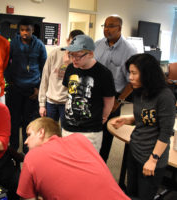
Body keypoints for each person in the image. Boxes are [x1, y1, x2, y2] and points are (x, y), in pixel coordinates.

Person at [111, 53, 175, 200]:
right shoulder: (139, 91)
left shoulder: (165, 96)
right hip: (135, 151)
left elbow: (165, 132)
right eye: (130, 73)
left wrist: (153, 160)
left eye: (134, 73)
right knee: (132, 194)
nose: (130, 78)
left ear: (147, 74)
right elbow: (146, 117)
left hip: (151, 158)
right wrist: (127, 120)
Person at [17, 117, 130, 200]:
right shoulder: (80, 139)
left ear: (41, 132)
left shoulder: (31, 157)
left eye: (29, 135)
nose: (26, 142)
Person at [61, 35, 116, 152]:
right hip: (68, 127)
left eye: (78, 55)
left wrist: (104, 116)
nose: (74, 59)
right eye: (71, 54)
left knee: (87, 165)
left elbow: (109, 99)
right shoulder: (70, 68)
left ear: (90, 54)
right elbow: (68, 91)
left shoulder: (104, 73)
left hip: (90, 131)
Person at [94, 15, 137, 162]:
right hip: (92, 97)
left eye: (111, 26)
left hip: (113, 99)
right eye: (105, 26)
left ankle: (100, 171)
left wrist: (118, 101)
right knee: (89, 135)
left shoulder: (130, 51)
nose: (107, 29)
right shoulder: (97, 45)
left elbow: (132, 82)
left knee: (105, 138)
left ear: (119, 28)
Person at [5, 18, 47, 153]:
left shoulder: (39, 45)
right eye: (22, 30)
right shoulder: (13, 44)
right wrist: (9, 81)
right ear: (19, 30)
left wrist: (39, 89)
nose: (25, 33)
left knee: (29, 122)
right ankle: (13, 148)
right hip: (15, 88)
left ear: (32, 30)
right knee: (14, 120)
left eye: (27, 30)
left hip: (32, 89)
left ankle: (27, 149)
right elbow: (6, 64)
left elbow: (44, 68)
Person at [38, 30, 84, 126]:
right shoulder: (55, 53)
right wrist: (42, 104)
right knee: (50, 132)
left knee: (66, 133)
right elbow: (44, 79)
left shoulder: (82, 59)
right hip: (51, 101)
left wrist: (70, 65)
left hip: (67, 102)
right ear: (68, 41)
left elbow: (75, 87)